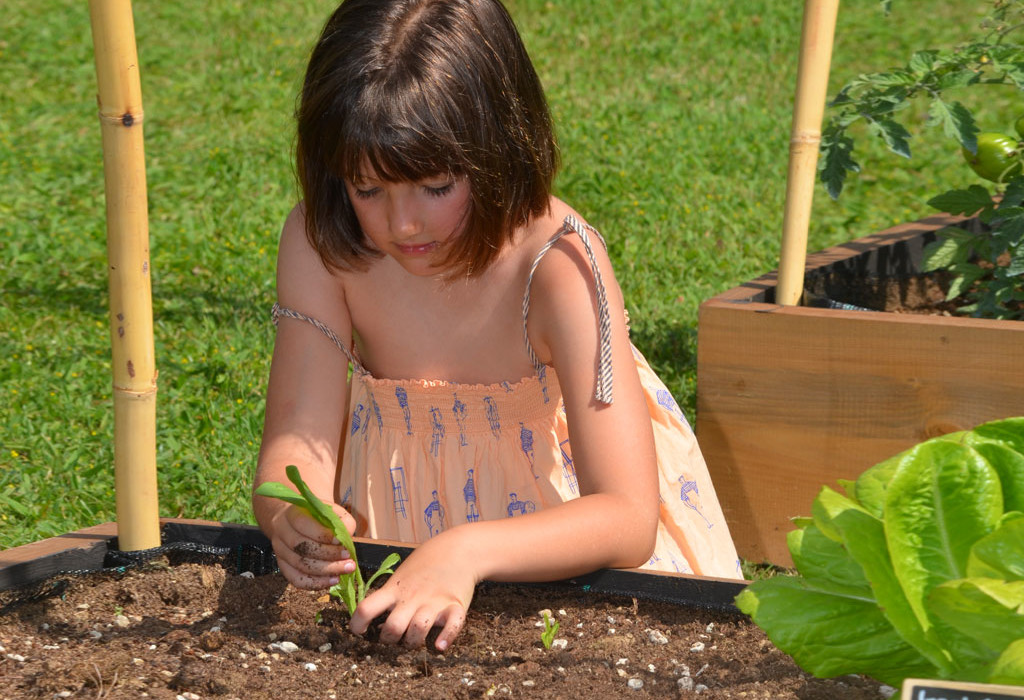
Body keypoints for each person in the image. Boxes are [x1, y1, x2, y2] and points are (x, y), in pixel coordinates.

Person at [253, 0, 742, 653]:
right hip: (403, 556)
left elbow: (627, 518)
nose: (402, 225)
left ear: (497, 148)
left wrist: (464, 551)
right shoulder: (323, 244)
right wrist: (291, 512)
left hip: (567, 565)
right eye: (367, 190)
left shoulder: (560, 265)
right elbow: (296, 441)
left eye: (435, 185)